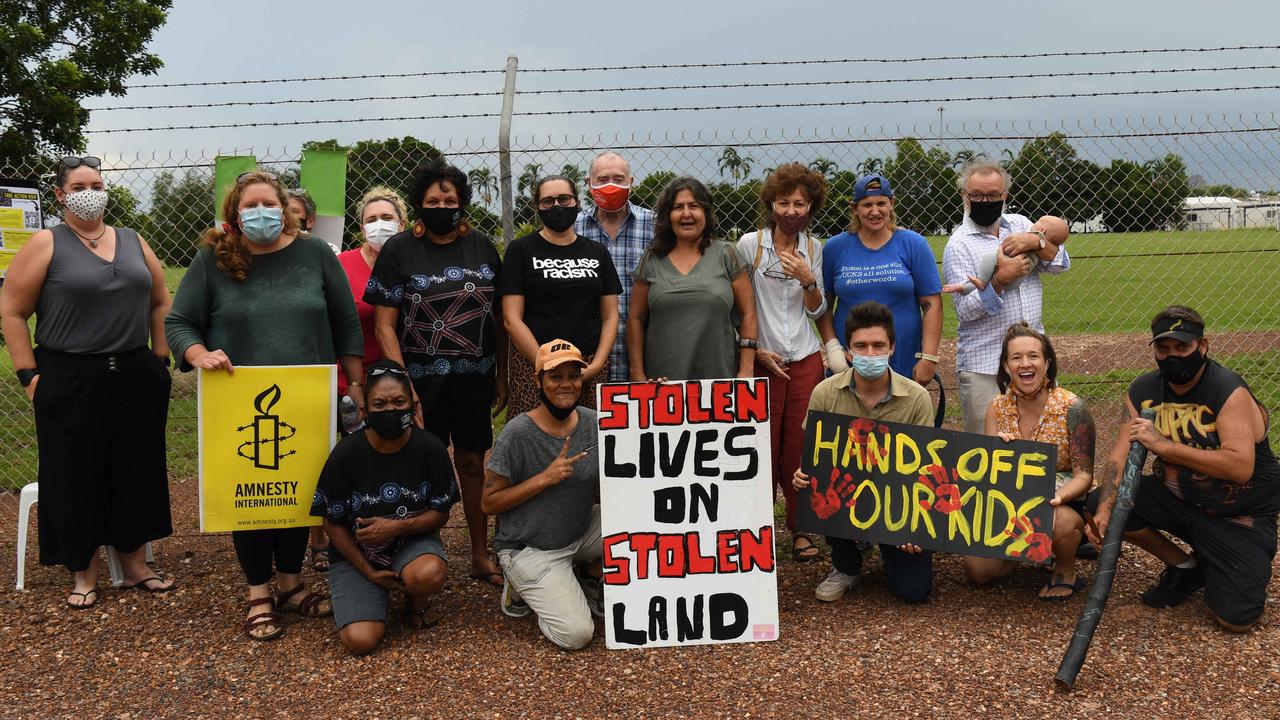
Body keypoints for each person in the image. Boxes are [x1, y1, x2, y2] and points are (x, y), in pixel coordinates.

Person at [166, 170, 364, 640]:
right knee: (250, 496)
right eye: (249, 206)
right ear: (235, 213)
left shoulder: (315, 254)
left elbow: (345, 324)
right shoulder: (213, 261)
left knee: (297, 492)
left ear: (286, 209)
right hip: (238, 401)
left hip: (308, 398)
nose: (261, 213)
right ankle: (259, 591)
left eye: (268, 204)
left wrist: (355, 382)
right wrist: (198, 353)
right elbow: (180, 323)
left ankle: (292, 584)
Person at [0, 155, 175, 608]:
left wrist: (159, 356)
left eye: (97, 182)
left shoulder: (134, 240)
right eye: (79, 184)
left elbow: (160, 300)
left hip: (134, 373)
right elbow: (13, 312)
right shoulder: (46, 243)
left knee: (134, 468)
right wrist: (29, 376)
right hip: (69, 375)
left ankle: (135, 564)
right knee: (73, 473)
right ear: (61, 194)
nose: (90, 190)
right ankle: (83, 572)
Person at [1089, 306, 1280, 632]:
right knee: (1099, 501)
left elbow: (1240, 466)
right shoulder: (1143, 392)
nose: (1173, 356)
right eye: (1164, 349)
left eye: (1183, 347)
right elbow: (1118, 458)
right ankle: (1185, 566)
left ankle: (1221, 562)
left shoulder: (1228, 390)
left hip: (1239, 517)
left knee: (1236, 619)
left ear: (1203, 345)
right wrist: (1105, 508)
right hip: (1181, 503)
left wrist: (1163, 446)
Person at [365, 158, 509, 588]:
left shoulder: (483, 245)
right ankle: (419, 559)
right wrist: (403, 384)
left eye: (450, 199)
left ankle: (480, 555)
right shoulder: (399, 250)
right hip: (421, 385)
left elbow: (499, 317)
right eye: (433, 200)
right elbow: (384, 324)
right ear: (419, 205)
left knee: (471, 463)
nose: (442, 205)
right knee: (421, 468)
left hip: (473, 382)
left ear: (462, 203)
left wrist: (500, 374)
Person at [311, 360, 457, 655]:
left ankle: (414, 595)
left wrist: (397, 527)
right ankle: (374, 588)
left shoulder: (430, 448)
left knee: (427, 574)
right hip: (357, 554)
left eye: (398, 402)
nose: (391, 410)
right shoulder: (346, 453)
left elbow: (441, 512)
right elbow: (332, 522)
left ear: (413, 405)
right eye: (380, 403)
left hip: (410, 542)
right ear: (364, 410)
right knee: (360, 641)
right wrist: (369, 572)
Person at [792, 301, 934, 604]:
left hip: (897, 503)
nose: (870, 354)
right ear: (848, 351)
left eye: (878, 345)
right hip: (846, 496)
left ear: (892, 348)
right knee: (823, 488)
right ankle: (847, 563)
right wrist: (803, 476)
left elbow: (925, 470)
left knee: (913, 591)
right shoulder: (825, 393)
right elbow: (815, 456)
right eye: (862, 346)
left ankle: (886, 547)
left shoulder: (917, 397)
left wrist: (915, 526)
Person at [736, 163, 838, 562]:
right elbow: (738, 305)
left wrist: (808, 280)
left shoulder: (815, 249)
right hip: (764, 358)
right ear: (771, 204)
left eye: (800, 203)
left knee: (800, 446)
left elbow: (817, 311)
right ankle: (755, 527)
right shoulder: (750, 245)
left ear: (811, 207)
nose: (792, 211)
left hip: (804, 356)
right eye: (784, 202)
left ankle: (801, 529)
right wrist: (755, 349)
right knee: (761, 445)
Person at [482, 339, 604, 650]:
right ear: (538, 380)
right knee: (577, 635)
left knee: (637, 514)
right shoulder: (518, 432)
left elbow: (643, 429)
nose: (566, 384)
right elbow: (489, 503)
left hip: (578, 532)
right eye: (555, 376)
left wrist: (659, 393)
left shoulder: (593, 420)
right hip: (530, 548)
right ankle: (520, 586)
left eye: (573, 376)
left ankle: (586, 574)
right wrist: (544, 479)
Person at [962, 323, 1096, 600]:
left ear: (1047, 363)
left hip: (1063, 502)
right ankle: (1029, 551)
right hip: (1013, 505)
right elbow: (990, 473)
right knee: (978, 570)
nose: (1026, 364)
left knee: (1057, 521)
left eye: (1033, 356)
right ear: (1005, 365)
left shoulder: (1072, 407)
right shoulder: (998, 407)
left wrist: (1056, 498)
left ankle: (1065, 567)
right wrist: (998, 452)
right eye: (1016, 357)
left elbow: (1085, 476)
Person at [314, 186, 409, 574]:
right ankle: (326, 537)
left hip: (402, 378)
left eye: (387, 218)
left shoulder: (412, 261)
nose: (379, 225)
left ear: (403, 224)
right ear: (359, 227)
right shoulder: (341, 265)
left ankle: (390, 534)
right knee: (346, 460)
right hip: (351, 381)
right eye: (371, 219)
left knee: (394, 461)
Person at [941, 157, 1071, 433]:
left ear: (1005, 196)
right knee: (986, 449)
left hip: (1032, 361)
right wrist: (1001, 279)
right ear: (964, 196)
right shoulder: (958, 244)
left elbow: (1060, 264)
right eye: (976, 195)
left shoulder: (1021, 224)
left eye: (992, 195)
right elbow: (965, 311)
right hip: (985, 365)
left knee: (1041, 437)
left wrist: (1035, 240)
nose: (985, 201)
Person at [502, 175, 621, 416]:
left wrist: (596, 365)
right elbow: (511, 319)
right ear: (538, 207)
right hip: (534, 365)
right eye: (548, 201)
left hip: (586, 364)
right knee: (535, 440)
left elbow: (610, 316)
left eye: (564, 199)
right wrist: (546, 364)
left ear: (577, 202)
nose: (557, 206)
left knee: (589, 441)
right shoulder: (521, 250)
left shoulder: (597, 252)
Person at [627, 177, 757, 381]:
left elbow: (748, 314)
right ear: (668, 215)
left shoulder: (726, 255)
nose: (686, 214)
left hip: (720, 382)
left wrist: (746, 370)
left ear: (706, 212)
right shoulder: (651, 259)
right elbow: (635, 319)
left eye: (694, 206)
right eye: (678, 207)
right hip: (663, 384)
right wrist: (637, 373)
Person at [822, 174, 942, 386]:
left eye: (881, 203)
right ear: (855, 208)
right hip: (851, 362)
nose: (875, 211)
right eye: (867, 204)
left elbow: (931, 303)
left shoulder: (913, 244)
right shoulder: (835, 248)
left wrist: (929, 357)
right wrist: (833, 348)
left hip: (903, 360)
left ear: (892, 204)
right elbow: (824, 306)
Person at [575, 151, 655, 383]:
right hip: (587, 356)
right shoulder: (573, 228)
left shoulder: (655, 226)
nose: (611, 185)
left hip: (644, 356)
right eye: (602, 179)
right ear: (589, 184)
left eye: (619, 179)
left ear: (631, 183)